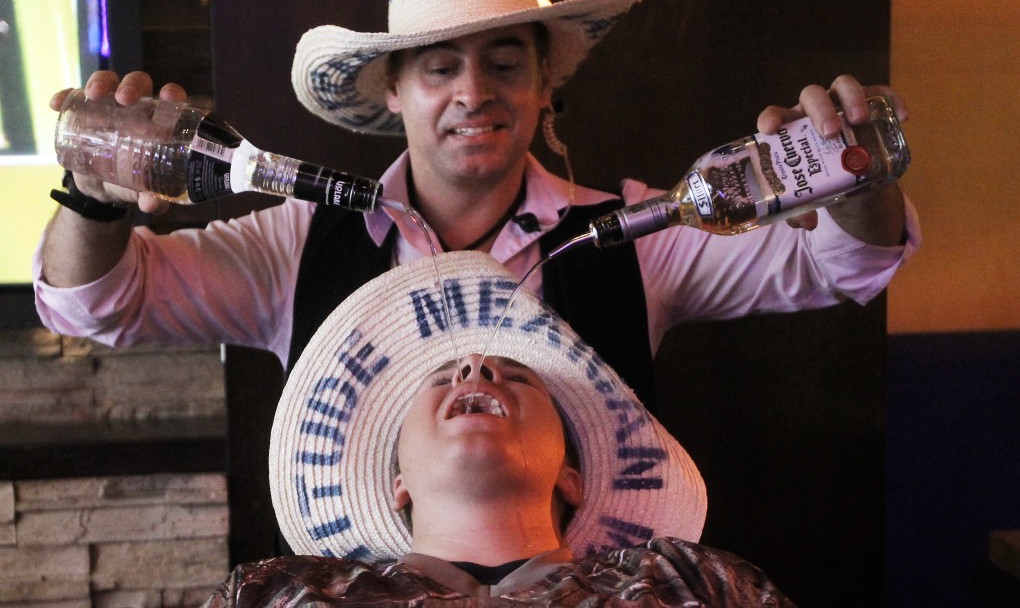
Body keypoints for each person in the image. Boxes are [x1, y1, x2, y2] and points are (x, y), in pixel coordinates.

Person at [34, 0, 919, 409]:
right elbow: (98, 304)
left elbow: (847, 264)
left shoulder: (640, 234)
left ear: (544, 89)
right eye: (439, 66)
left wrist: (857, 180)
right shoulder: (295, 242)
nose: (473, 93)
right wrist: (92, 202)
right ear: (392, 93)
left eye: (504, 62)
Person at [201, 250, 796, 606]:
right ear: (398, 480)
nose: (475, 366)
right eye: (440, 379)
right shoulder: (274, 595)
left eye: (519, 376)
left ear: (571, 477)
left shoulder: (690, 583)